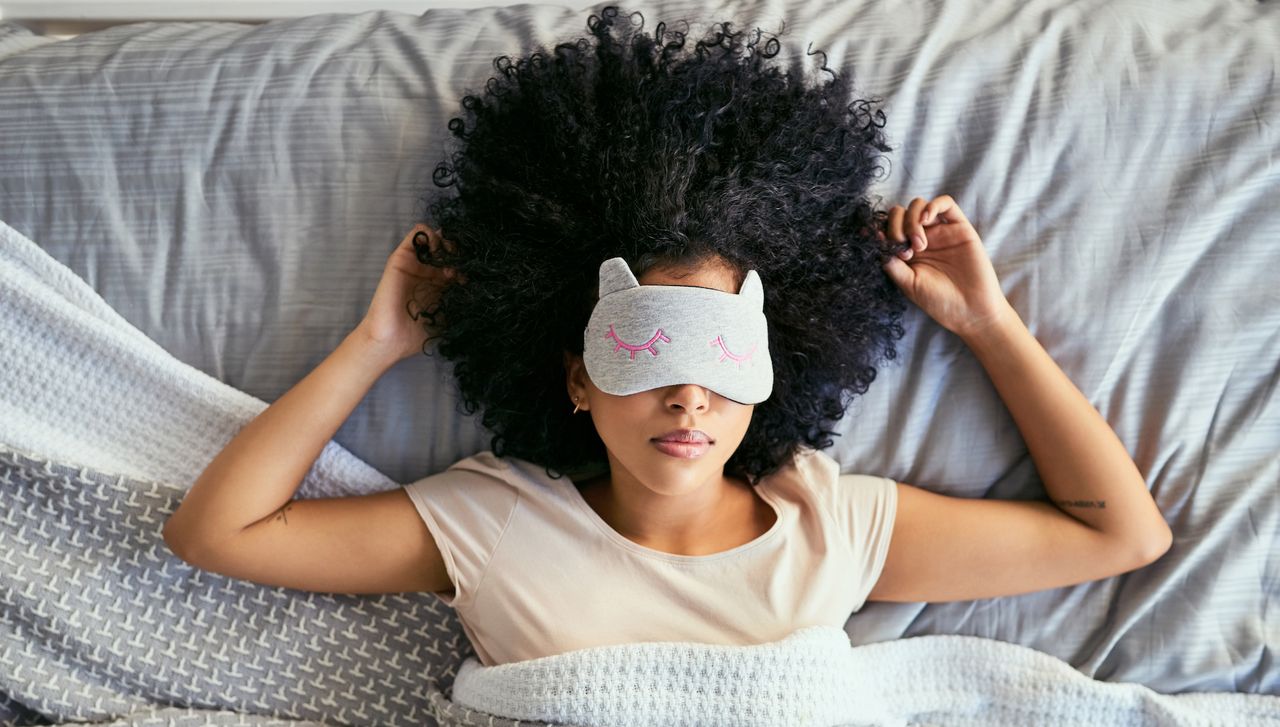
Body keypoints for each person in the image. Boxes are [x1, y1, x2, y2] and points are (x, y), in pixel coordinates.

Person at [161, 5, 1172, 667]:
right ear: (576, 378)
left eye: (720, 360)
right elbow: (215, 533)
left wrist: (985, 326)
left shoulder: (836, 526)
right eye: (648, 350)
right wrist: (378, 341)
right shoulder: (491, 521)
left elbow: (1119, 534)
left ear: (772, 375)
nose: (688, 396)